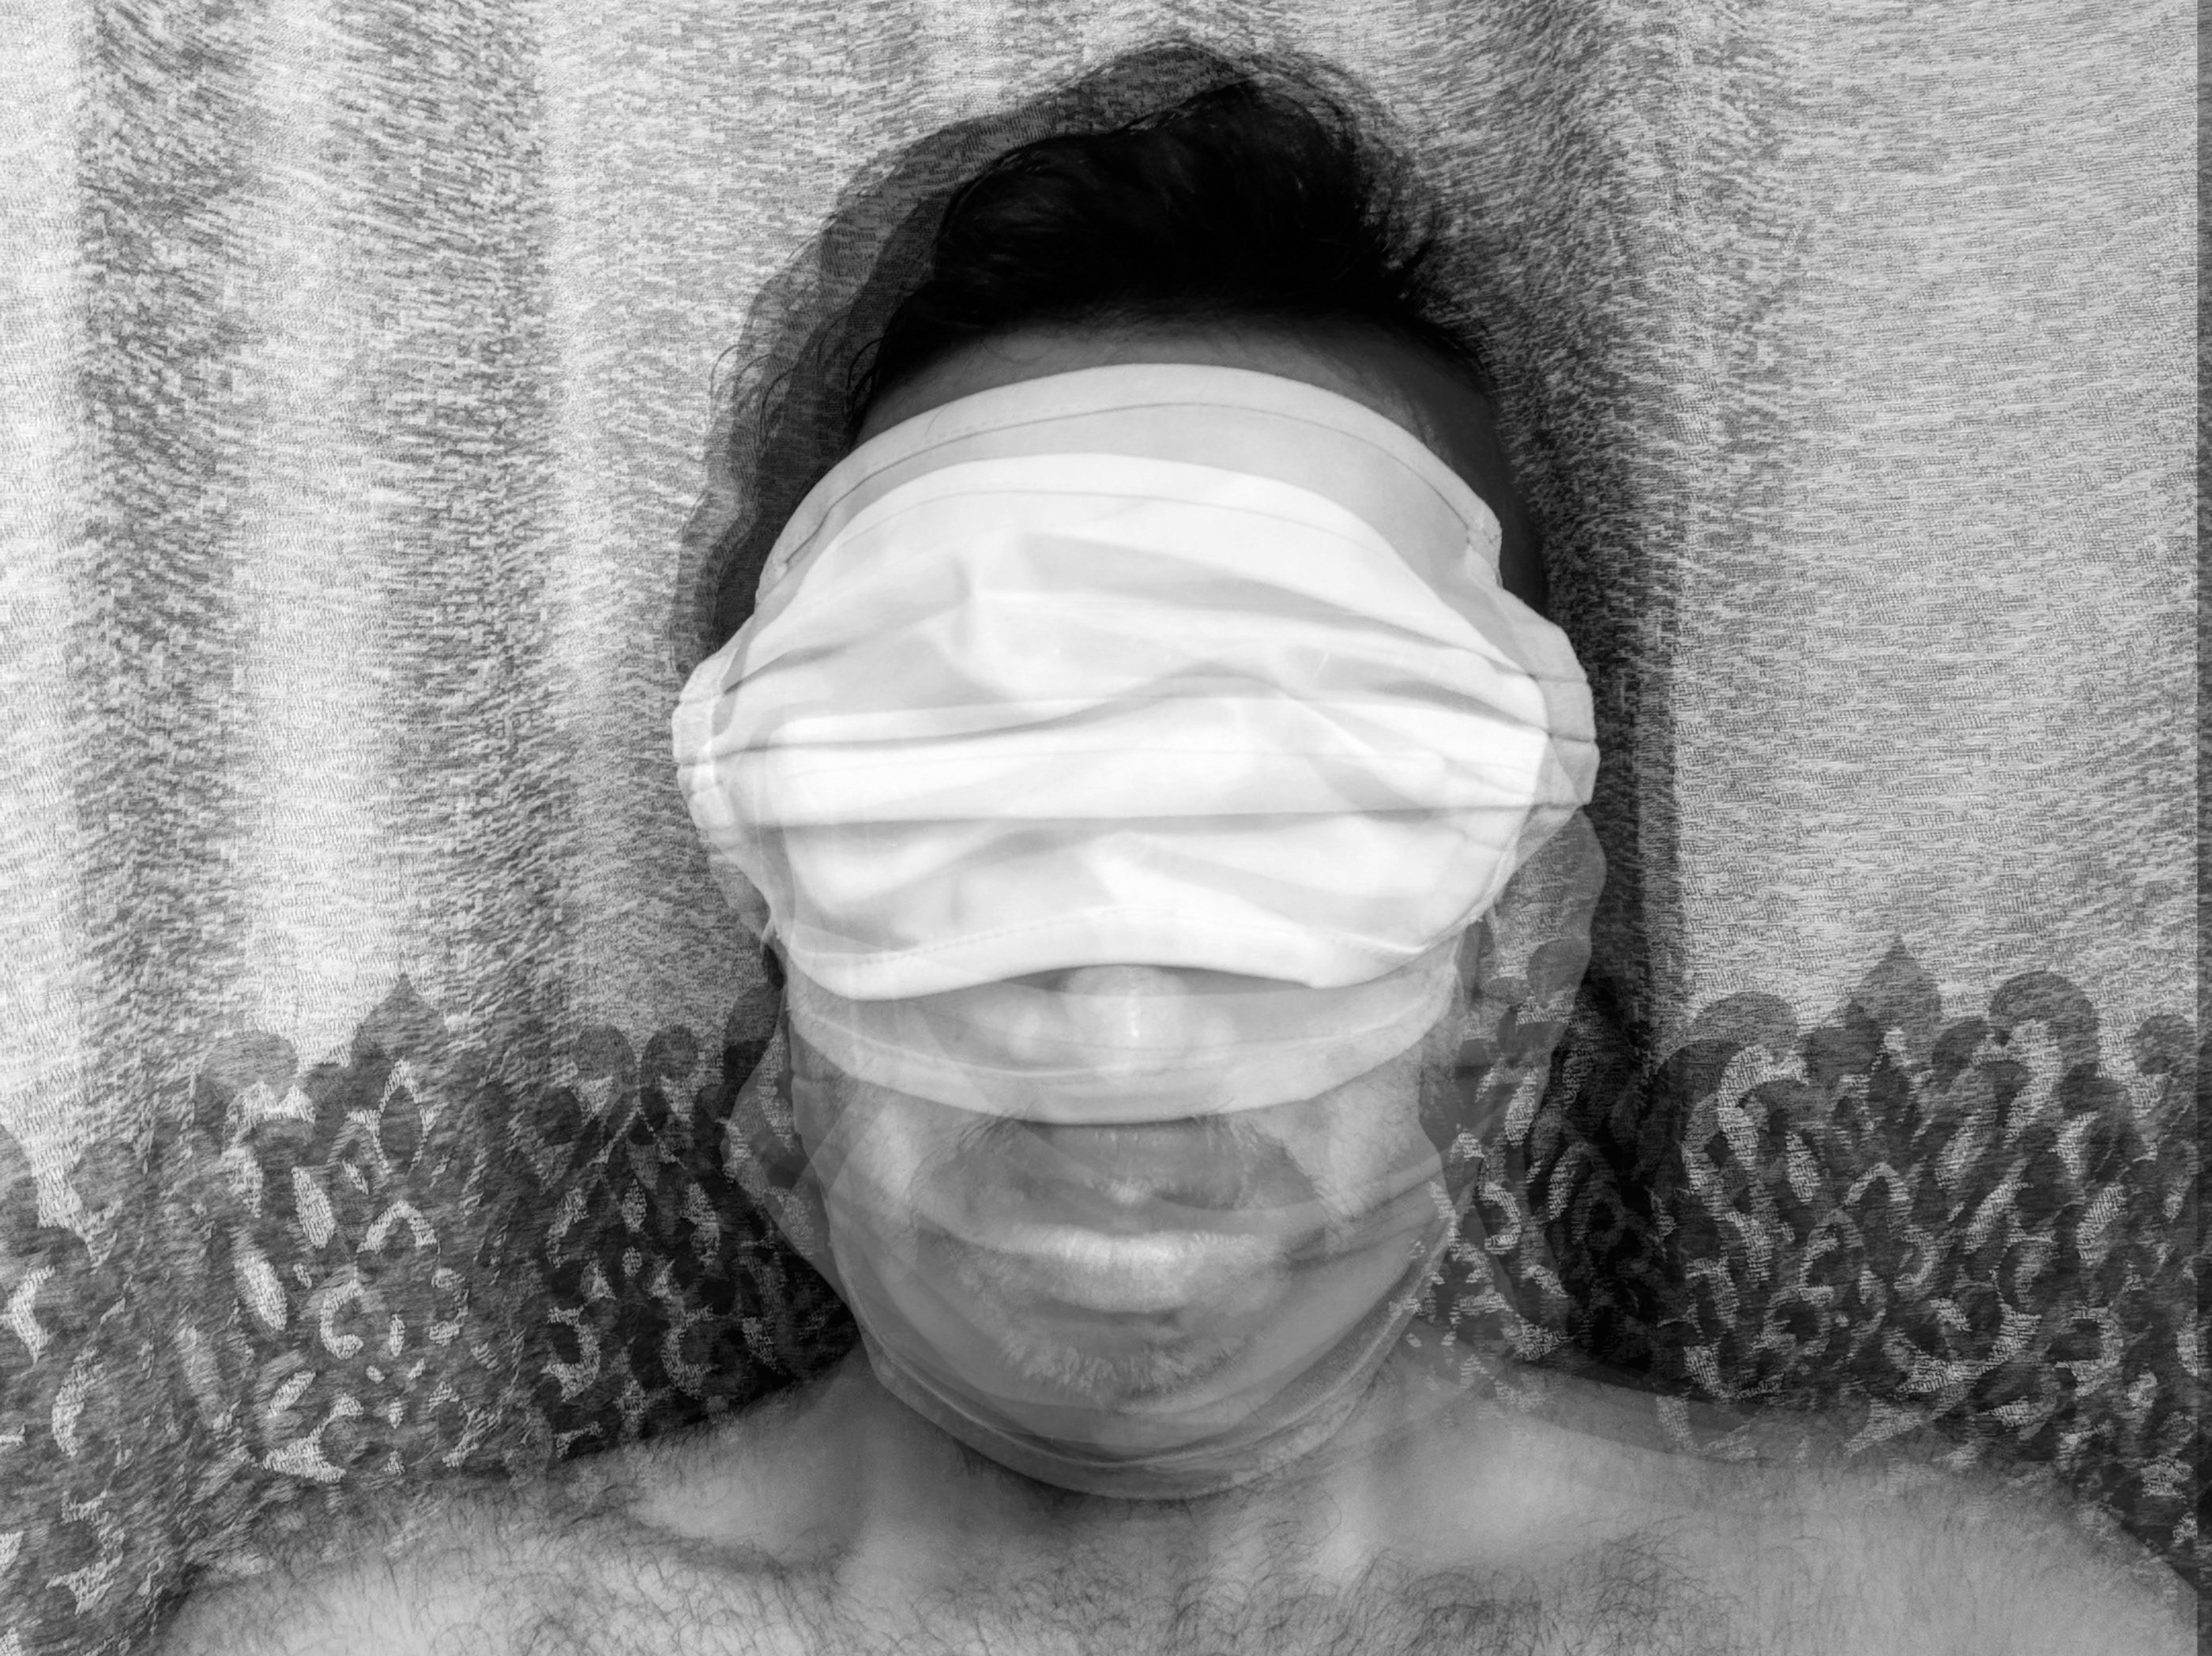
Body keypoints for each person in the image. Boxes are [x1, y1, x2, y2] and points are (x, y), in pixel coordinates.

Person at [155, 61, 2193, 1656]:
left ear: (1520, 938)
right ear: (775, 897)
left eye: (1291, 794)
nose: (1119, 1012)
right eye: (968, 790)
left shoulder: (1944, 1631)